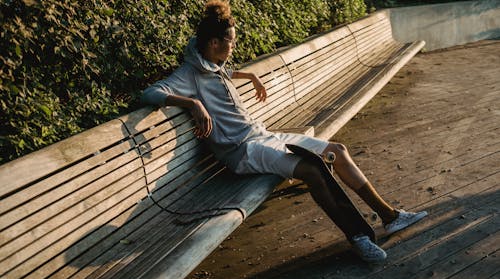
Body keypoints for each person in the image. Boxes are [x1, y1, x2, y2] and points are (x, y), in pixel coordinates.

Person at [140, 0, 427, 262]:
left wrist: (248, 74)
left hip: (263, 136)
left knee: (337, 151)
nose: (234, 47)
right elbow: (150, 93)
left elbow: (222, 74)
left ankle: (390, 216)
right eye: (231, 42)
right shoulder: (189, 75)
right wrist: (191, 104)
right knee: (312, 170)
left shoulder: (214, 64)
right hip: (242, 151)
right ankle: (359, 237)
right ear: (214, 43)